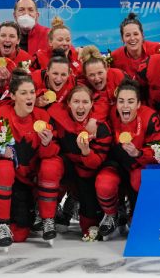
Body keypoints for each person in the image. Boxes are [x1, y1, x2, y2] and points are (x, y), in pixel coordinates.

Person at [0, 69, 62, 249]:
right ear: (13, 96)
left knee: (20, 234)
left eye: (32, 92)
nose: (29, 97)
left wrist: (47, 145)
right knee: (3, 166)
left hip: (25, 181)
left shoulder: (43, 117)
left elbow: (52, 153)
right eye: (23, 93)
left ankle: (47, 218)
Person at [95, 79, 160, 238]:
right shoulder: (110, 113)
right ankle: (112, 214)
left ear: (138, 104)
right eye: (121, 101)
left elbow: (159, 152)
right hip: (116, 163)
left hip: (138, 165)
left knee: (139, 178)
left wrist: (139, 154)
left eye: (131, 102)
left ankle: (136, 212)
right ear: (116, 103)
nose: (125, 106)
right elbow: (99, 103)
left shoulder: (150, 117)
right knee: (104, 182)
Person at [48, 85, 113, 237]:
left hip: (89, 173)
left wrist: (86, 151)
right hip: (69, 169)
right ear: (69, 103)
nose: (80, 106)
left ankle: (80, 202)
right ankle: (47, 211)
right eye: (76, 101)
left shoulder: (102, 128)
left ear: (91, 104)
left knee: (90, 227)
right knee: (50, 165)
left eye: (85, 102)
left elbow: (96, 163)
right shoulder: (58, 120)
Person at [80, 46, 127, 123]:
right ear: (85, 75)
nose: (97, 78)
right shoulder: (82, 86)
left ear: (106, 68)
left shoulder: (118, 75)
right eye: (91, 75)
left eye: (100, 73)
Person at [109, 13, 160, 79]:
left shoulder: (156, 49)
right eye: (127, 35)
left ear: (142, 35)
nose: (132, 38)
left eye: (136, 34)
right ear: (122, 38)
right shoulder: (114, 57)